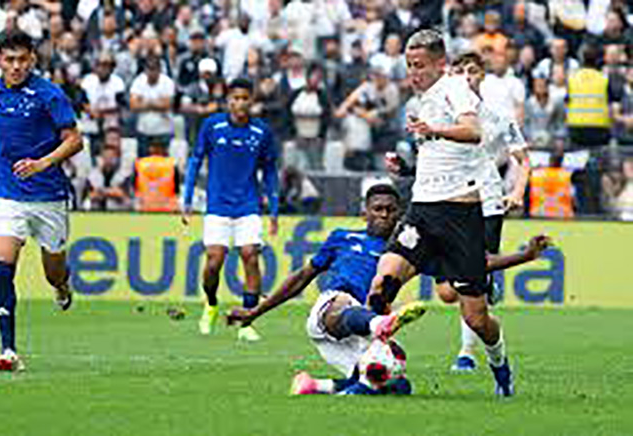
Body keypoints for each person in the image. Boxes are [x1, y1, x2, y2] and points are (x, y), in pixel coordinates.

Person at [227, 184, 552, 395]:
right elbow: (301, 277)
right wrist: (256, 311)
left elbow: (475, 264)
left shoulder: (411, 251)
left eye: (390, 210)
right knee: (346, 303)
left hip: (357, 338)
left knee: (396, 387)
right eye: (377, 208)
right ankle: (379, 323)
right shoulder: (342, 237)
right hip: (332, 312)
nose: (383, 214)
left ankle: (316, 386)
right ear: (364, 211)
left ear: (401, 214)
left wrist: (526, 255)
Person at [367, 29, 513, 396]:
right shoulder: (422, 100)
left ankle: (500, 365)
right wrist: (406, 167)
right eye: (408, 66)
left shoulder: (456, 87)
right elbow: (440, 153)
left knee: (475, 317)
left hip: (461, 215)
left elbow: (472, 130)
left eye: (419, 66)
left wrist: (434, 129)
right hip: (422, 211)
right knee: (381, 285)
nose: (412, 73)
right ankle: (376, 366)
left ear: (439, 64)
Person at [0, 30, 83, 372]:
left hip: (49, 196)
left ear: (32, 59)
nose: (15, 67)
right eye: (8, 60)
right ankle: (8, 349)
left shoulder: (49, 94)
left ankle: (62, 287)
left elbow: (75, 140)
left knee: (53, 272)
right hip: (8, 194)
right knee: (3, 266)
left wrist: (43, 163)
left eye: (21, 60)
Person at [442, 52, 530, 372]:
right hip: (450, 199)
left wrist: (517, 192)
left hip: (489, 201)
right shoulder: (445, 115)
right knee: (446, 293)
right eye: (460, 71)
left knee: (471, 281)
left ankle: (466, 353)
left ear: (482, 77)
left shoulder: (498, 117)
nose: (467, 76)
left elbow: (524, 159)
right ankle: (484, 280)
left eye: (473, 71)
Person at [182, 77, 279, 342]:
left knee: (250, 256)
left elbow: (270, 171)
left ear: (252, 101)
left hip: (248, 204)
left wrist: (274, 209)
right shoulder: (212, 126)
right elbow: (195, 160)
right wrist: (187, 199)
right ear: (227, 101)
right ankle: (211, 303)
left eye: (244, 98)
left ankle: (247, 320)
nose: (240, 103)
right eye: (235, 98)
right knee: (214, 261)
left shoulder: (261, 132)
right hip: (217, 206)